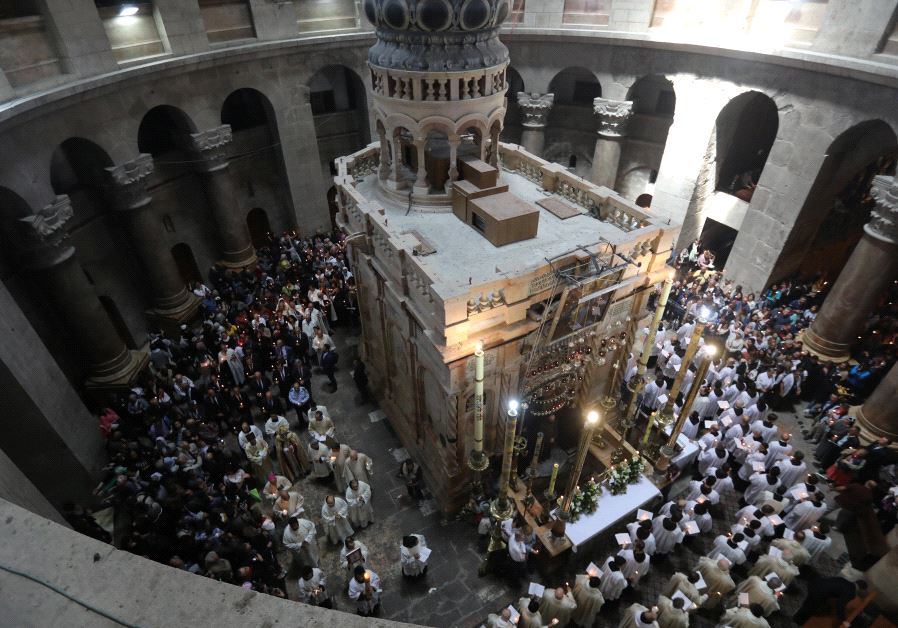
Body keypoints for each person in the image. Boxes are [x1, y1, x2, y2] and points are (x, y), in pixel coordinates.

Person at [793, 577, 867, 625]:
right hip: (820, 593)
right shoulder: (851, 592)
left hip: (816, 583)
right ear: (861, 589)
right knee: (810, 607)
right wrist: (843, 620)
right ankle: (798, 621)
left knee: (808, 603)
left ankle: (796, 617)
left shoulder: (843, 580)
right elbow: (840, 604)